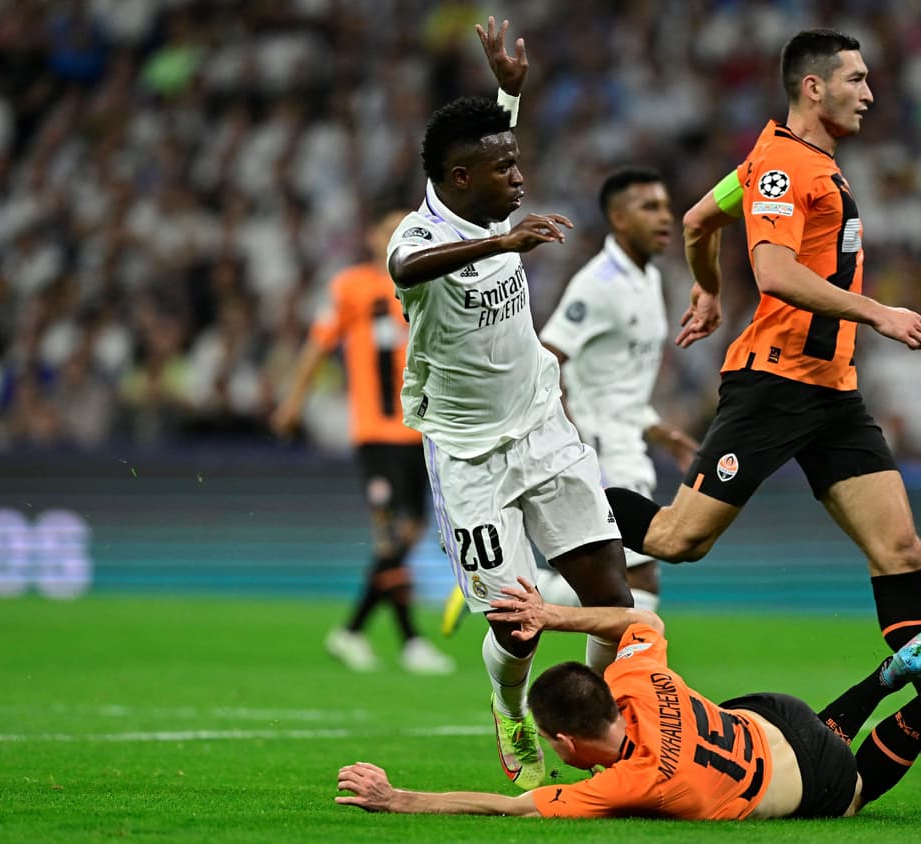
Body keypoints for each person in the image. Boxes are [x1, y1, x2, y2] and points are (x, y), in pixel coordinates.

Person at [601, 28, 921, 771]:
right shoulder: (780, 166)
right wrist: (878, 313)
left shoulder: (789, 163)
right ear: (813, 87)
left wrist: (707, 288)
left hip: (833, 393)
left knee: (899, 550)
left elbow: (700, 221)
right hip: (774, 384)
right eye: (855, 80)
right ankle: (560, 499)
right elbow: (773, 272)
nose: (869, 93)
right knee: (678, 540)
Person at [385, 19, 633, 791]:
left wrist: (507, 94)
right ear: (461, 180)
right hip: (470, 456)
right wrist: (499, 245)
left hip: (542, 427)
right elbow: (407, 267)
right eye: (505, 170)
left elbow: (490, 149)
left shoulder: (481, 189)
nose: (520, 179)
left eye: (518, 162)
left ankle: (607, 725)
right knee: (519, 627)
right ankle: (509, 704)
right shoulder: (418, 236)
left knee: (612, 596)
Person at [335, 578, 921, 818]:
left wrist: (399, 798)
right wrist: (551, 616)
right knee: (815, 734)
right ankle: (889, 674)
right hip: (773, 713)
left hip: (811, 775)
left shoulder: (629, 782)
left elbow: (508, 806)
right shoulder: (634, 681)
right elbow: (644, 621)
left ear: (567, 742)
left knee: (856, 789)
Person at [440, 168, 697, 634]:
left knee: (630, 587)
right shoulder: (598, 284)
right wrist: (563, 433)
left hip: (628, 443)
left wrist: (664, 433)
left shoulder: (647, 280)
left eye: (665, 206)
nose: (665, 217)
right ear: (619, 218)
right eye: (649, 207)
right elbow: (549, 355)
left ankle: (512, 592)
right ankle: (512, 597)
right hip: (600, 448)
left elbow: (619, 383)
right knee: (638, 584)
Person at [271, 208, 455, 677]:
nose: (395, 236)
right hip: (376, 431)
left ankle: (352, 632)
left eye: (403, 228)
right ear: (372, 237)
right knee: (391, 534)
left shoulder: (427, 284)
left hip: (422, 432)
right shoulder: (350, 286)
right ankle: (410, 641)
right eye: (387, 228)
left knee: (407, 533)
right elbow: (318, 346)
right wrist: (292, 402)